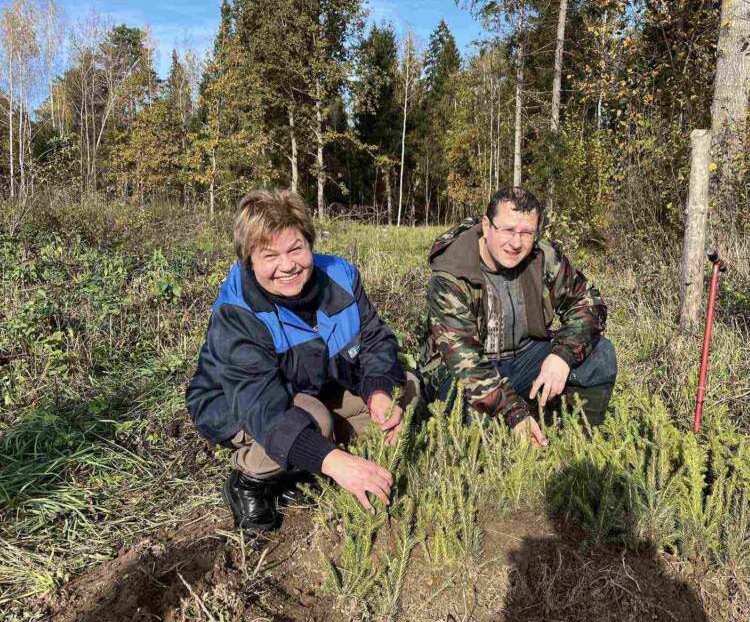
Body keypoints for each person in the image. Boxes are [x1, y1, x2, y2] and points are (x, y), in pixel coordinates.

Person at [186, 189, 418, 530]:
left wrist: (379, 392)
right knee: (314, 421)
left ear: (310, 244)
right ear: (248, 260)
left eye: (296, 248)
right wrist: (335, 461)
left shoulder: (341, 276)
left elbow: (376, 340)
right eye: (270, 256)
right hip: (239, 402)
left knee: (406, 388)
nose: (287, 265)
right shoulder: (239, 311)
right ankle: (251, 483)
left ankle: (312, 460)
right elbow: (261, 406)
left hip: (314, 384)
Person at [420, 186, 616, 445]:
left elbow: (589, 304)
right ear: (487, 225)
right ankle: (517, 423)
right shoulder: (451, 275)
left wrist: (562, 355)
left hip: (524, 358)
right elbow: (466, 365)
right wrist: (515, 413)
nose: (516, 243)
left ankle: (579, 444)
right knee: (477, 434)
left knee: (600, 354)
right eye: (508, 230)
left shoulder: (543, 257)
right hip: (460, 374)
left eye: (526, 233)